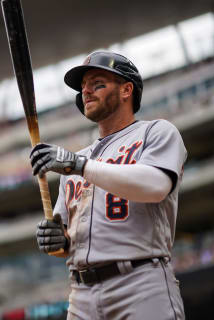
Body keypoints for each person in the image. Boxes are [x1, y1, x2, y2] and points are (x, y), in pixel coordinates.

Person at [30, 51, 186, 320]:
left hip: (140, 284)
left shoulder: (156, 132)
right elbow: (67, 240)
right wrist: (58, 241)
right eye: (83, 88)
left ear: (127, 90)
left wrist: (79, 166)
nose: (86, 92)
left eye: (98, 84)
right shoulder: (75, 162)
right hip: (81, 295)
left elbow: (156, 186)